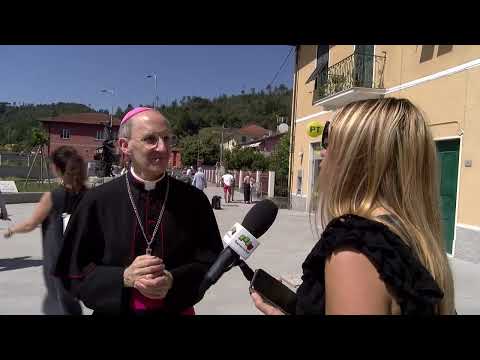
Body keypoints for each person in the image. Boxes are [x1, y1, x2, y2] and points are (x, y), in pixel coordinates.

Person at [251, 98, 456, 315]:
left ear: (359, 158)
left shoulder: (355, 251)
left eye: (330, 141)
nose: (323, 152)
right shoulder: (414, 238)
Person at [55, 107, 223, 315]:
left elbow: (209, 262)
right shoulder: (96, 201)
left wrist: (173, 279)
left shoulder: (194, 200)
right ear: (125, 146)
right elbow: (72, 270)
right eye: (151, 139)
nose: (163, 148)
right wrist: (123, 277)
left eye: (167, 139)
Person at [4, 146, 87, 315]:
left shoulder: (52, 197)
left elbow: (30, 224)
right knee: (69, 301)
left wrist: (12, 230)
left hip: (57, 260)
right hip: (80, 259)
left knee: (60, 302)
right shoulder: (88, 194)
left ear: (56, 169)